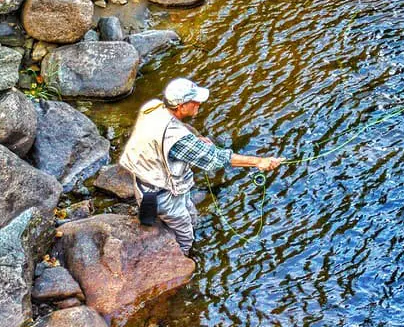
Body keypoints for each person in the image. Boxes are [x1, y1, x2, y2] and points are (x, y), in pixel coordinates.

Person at [119, 77, 283, 255]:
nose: (198, 103)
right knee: (186, 234)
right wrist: (259, 161)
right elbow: (217, 158)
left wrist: (193, 142)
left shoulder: (154, 107)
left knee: (190, 216)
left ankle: (152, 221)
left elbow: (159, 138)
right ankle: (183, 258)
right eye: (194, 101)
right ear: (181, 106)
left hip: (144, 183)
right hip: (163, 195)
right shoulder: (176, 138)